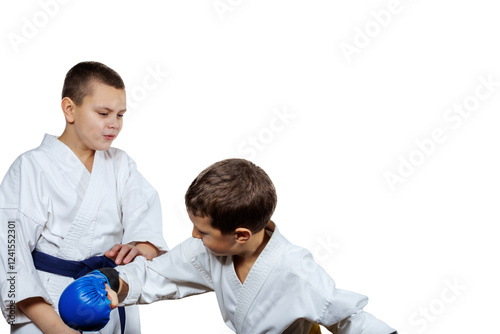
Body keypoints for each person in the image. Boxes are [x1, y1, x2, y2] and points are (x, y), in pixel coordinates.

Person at [105, 158, 397, 333]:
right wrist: (116, 281)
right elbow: (161, 274)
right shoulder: (209, 252)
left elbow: (348, 319)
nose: (194, 235)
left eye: (204, 231)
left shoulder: (294, 270)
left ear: (241, 235)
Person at [0, 61, 168, 334]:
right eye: (103, 113)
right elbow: (10, 255)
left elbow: (147, 227)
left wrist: (141, 249)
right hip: (48, 307)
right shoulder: (30, 167)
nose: (114, 124)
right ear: (69, 109)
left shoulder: (121, 164)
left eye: (120, 115)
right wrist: (57, 329)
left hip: (109, 298)